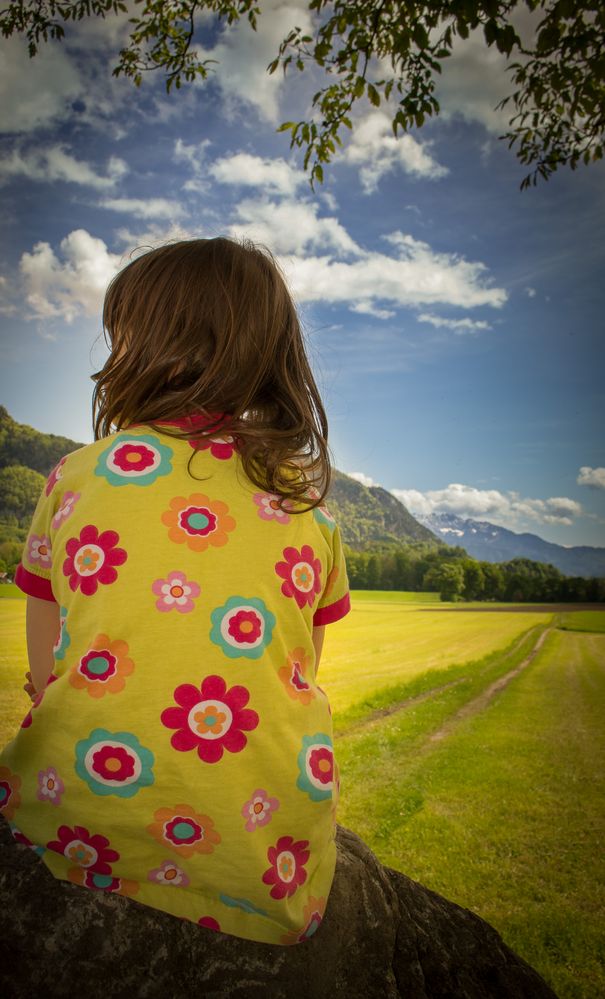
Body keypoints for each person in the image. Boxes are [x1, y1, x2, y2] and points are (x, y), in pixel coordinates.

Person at [0, 237, 350, 946]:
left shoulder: (76, 475)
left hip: (75, 818)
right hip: (259, 864)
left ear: (144, 345)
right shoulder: (307, 508)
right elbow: (298, 668)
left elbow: (44, 651)